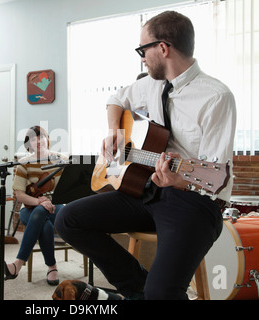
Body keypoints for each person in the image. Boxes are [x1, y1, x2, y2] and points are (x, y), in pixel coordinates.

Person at [55, 11, 236, 300]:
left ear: (162, 48)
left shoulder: (216, 97)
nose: (141, 58)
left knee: (163, 292)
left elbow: (213, 174)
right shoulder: (152, 84)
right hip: (146, 190)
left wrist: (178, 179)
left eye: (143, 50)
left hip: (193, 201)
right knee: (67, 219)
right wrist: (115, 130)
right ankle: (136, 287)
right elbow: (116, 99)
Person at [4, 125, 68, 286]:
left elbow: (70, 187)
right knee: (43, 221)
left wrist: (49, 202)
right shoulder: (24, 163)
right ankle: (52, 267)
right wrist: (39, 201)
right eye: (33, 138)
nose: (38, 141)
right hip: (30, 208)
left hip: (57, 207)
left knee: (42, 214)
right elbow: (19, 194)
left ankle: (18, 264)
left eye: (41, 137)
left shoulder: (61, 160)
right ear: (28, 144)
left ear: (48, 140)